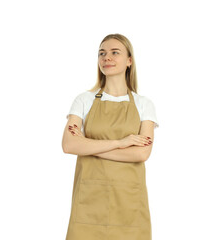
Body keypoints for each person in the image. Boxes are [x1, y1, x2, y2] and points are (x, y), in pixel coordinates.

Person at [62, 33, 159, 240]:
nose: (107, 58)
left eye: (115, 52)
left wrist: (88, 145)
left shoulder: (144, 105)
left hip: (128, 203)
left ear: (129, 61)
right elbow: (69, 145)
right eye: (102, 53)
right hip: (89, 202)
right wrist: (121, 143)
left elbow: (141, 154)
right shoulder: (84, 100)